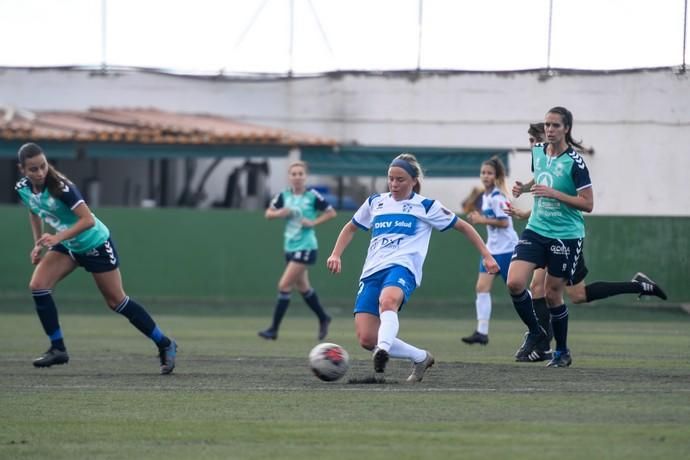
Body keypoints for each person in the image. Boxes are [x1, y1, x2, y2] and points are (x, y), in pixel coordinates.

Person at [326, 153, 499, 382]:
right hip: (371, 272)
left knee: (388, 301)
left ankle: (383, 350)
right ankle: (420, 357)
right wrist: (336, 254)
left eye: (400, 179)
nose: (394, 184)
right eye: (391, 179)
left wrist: (487, 256)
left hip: (402, 268)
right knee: (367, 338)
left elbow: (464, 227)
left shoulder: (426, 206)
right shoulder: (375, 202)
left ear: (414, 181)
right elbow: (350, 228)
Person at [506, 122, 667, 362]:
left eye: (534, 140)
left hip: (566, 237)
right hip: (544, 233)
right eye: (532, 141)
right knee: (538, 288)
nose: (533, 145)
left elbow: (562, 198)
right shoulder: (543, 157)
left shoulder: (570, 162)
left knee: (569, 294)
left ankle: (546, 344)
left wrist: (532, 203)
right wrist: (525, 192)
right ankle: (543, 343)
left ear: (559, 132)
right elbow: (542, 188)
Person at [15, 142, 177, 374]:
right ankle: (58, 349)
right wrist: (38, 242)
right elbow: (33, 210)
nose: (40, 172)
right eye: (33, 169)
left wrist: (58, 237)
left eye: (43, 166)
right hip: (68, 244)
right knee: (38, 286)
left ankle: (165, 343)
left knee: (117, 302)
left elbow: (87, 220)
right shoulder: (23, 188)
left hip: (95, 243)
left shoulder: (62, 187)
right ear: (22, 169)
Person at [506, 106, 596, 368]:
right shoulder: (538, 152)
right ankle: (536, 332)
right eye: (547, 125)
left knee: (553, 295)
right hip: (536, 228)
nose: (549, 129)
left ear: (566, 128)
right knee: (514, 282)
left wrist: (555, 194)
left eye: (555, 125)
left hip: (565, 236)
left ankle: (562, 351)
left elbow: (588, 204)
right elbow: (542, 177)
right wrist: (525, 187)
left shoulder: (576, 163)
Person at [258, 161, 337, 341]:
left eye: (300, 173)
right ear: (289, 177)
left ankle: (273, 330)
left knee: (284, 285)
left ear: (305, 176)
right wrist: (280, 213)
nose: (297, 177)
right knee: (303, 287)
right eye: (293, 174)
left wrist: (313, 222)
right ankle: (324, 317)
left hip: (307, 246)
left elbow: (331, 213)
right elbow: (268, 214)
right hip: (290, 247)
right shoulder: (283, 196)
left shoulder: (312, 196)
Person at [461, 156, 519, 345]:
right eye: (483, 173)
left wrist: (481, 220)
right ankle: (482, 332)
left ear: (497, 176)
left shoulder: (498, 197)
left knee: (517, 291)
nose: (485, 176)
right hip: (491, 250)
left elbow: (504, 222)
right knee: (481, 288)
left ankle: (538, 329)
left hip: (507, 249)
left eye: (489, 173)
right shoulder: (485, 197)